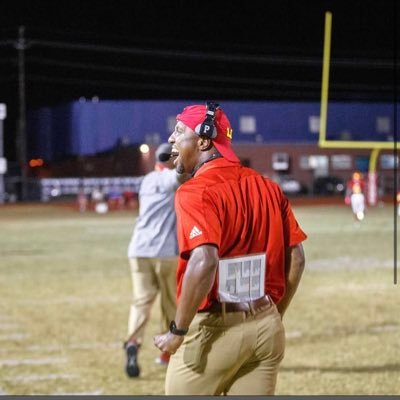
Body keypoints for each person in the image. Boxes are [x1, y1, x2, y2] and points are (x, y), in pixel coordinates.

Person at [154, 102, 307, 395]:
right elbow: (297, 259)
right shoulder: (268, 186)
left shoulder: (195, 191)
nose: (171, 139)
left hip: (217, 327)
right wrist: (276, 314)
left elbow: (204, 261)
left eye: (178, 131)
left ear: (203, 140)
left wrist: (178, 332)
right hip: (266, 325)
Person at [124, 142, 189, 378]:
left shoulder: (147, 180)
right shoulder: (168, 179)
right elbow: (181, 175)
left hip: (138, 249)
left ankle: (132, 342)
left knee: (140, 302)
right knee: (170, 303)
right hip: (164, 251)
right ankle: (167, 352)